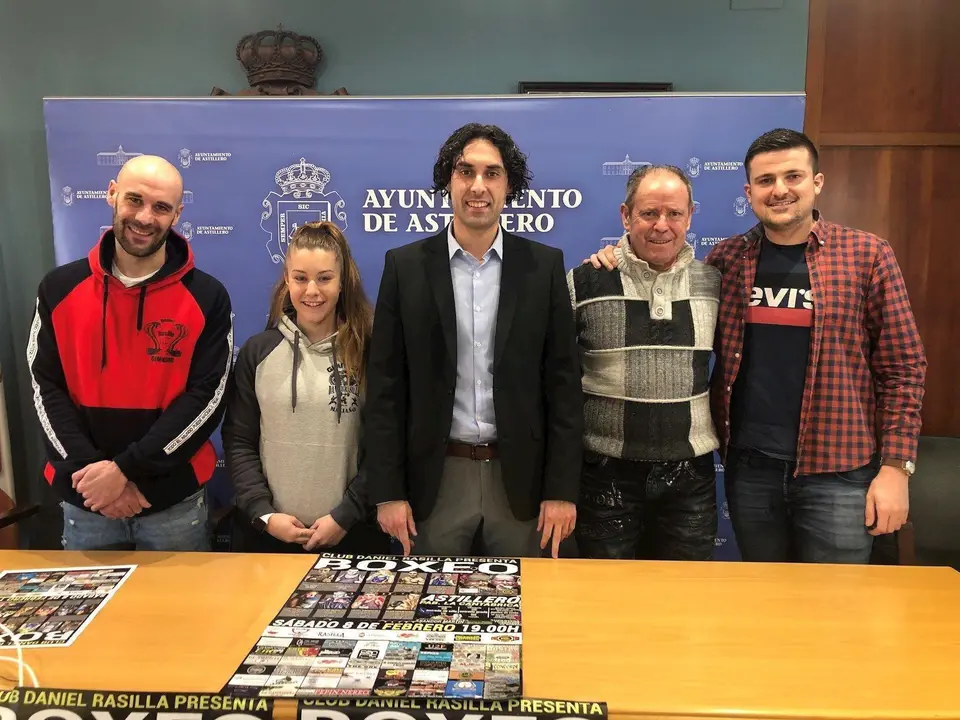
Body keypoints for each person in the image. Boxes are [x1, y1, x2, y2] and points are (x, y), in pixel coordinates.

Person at [586, 129, 926, 563]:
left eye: (793, 176)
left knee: (837, 613)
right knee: (762, 607)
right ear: (749, 192)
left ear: (816, 183)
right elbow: (659, 274)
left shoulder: (867, 256)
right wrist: (608, 260)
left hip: (839, 474)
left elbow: (904, 370)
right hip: (750, 471)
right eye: (766, 181)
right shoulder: (726, 262)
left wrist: (896, 468)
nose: (780, 190)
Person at [365, 123, 583, 558]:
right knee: (431, 615)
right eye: (466, 172)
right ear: (448, 181)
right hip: (435, 479)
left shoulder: (543, 267)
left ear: (509, 185)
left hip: (521, 482)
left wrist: (562, 490)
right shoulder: (405, 267)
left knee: (530, 611)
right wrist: (388, 491)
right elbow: (385, 388)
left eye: (492, 173)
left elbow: (563, 387)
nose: (478, 186)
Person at [27, 155, 233, 551]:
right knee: (93, 616)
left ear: (177, 214)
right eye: (134, 200)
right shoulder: (58, 288)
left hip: (171, 503)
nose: (144, 217)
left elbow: (207, 398)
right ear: (112, 194)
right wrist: (95, 479)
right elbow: (44, 389)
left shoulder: (207, 297)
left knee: (184, 614)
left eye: (161, 207)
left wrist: (125, 471)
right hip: (86, 500)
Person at [568, 165, 720, 561]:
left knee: (685, 603)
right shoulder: (583, 281)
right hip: (606, 473)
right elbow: (552, 376)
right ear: (625, 215)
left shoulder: (715, 283)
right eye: (649, 213)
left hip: (691, 476)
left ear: (690, 216)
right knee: (607, 602)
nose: (661, 226)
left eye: (674, 214)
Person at [221, 221, 390, 555]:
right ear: (287, 279)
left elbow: (385, 447)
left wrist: (345, 516)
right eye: (300, 278)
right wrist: (265, 514)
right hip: (267, 538)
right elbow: (239, 441)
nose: (312, 291)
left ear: (343, 282)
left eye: (324, 278)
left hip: (352, 536)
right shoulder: (258, 353)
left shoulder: (369, 352)